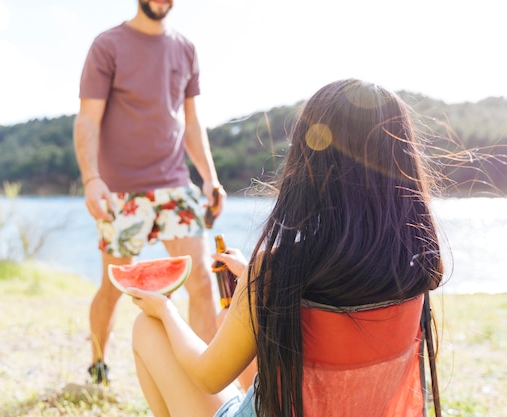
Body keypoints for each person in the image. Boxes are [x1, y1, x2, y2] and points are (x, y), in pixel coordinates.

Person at [128, 79, 445, 416]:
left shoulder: (275, 269)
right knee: (226, 318)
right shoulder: (416, 265)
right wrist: (251, 280)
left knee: (149, 329)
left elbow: (209, 377)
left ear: (309, 163)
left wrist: (165, 310)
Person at [73, 0, 225, 385]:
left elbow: (191, 122)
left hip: (175, 185)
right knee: (112, 287)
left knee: (202, 280)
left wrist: (209, 176)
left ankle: (206, 381)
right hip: (121, 192)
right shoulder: (108, 45)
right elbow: (88, 119)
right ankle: (98, 364)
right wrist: (92, 178)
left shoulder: (186, 49)